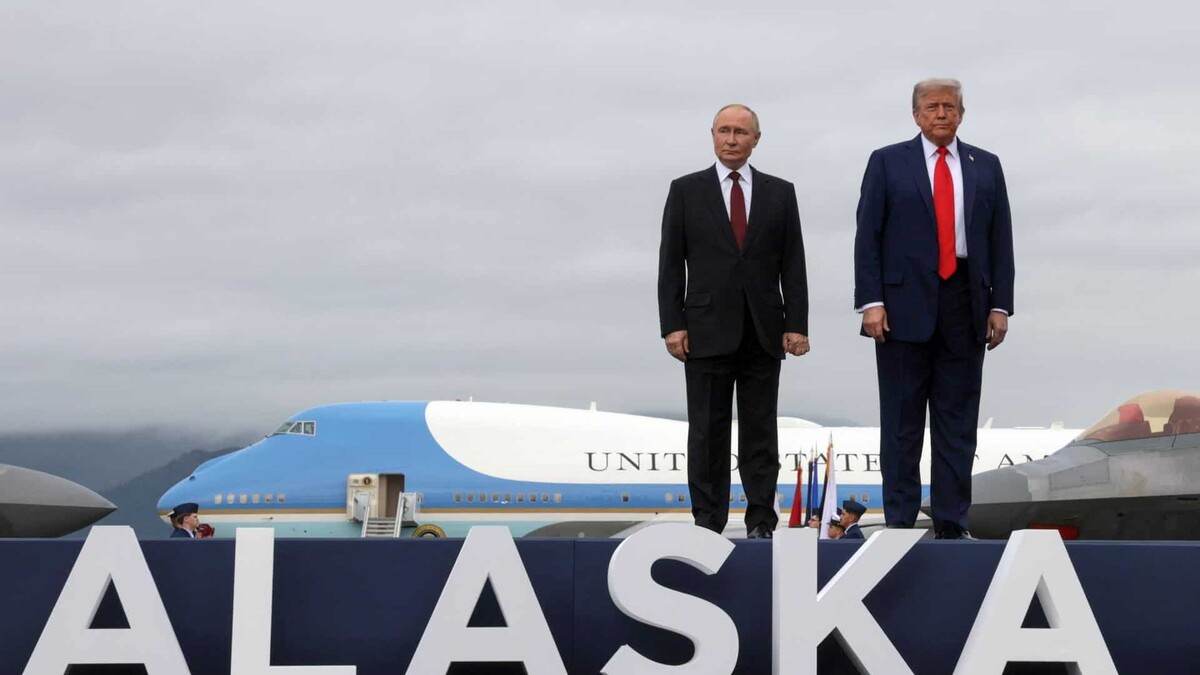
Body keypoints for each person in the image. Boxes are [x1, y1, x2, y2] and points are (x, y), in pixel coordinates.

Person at [854, 78, 1015, 540]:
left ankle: (951, 521)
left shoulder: (986, 165)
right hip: (901, 307)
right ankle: (900, 521)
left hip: (966, 302)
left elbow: (1000, 238)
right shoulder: (887, 162)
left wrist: (1000, 304)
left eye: (949, 106)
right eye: (932, 107)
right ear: (916, 115)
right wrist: (871, 302)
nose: (941, 113)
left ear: (961, 113)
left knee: (957, 422)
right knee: (901, 422)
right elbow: (868, 235)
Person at [658, 104, 810, 539]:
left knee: (761, 432)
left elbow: (793, 263)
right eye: (723, 131)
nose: (731, 139)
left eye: (740, 132)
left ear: (755, 139)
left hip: (764, 329)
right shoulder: (686, 190)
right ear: (712, 135)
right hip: (704, 331)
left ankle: (761, 520)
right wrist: (672, 324)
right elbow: (671, 262)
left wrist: (797, 323)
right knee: (707, 432)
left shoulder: (781, 193)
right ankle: (707, 522)